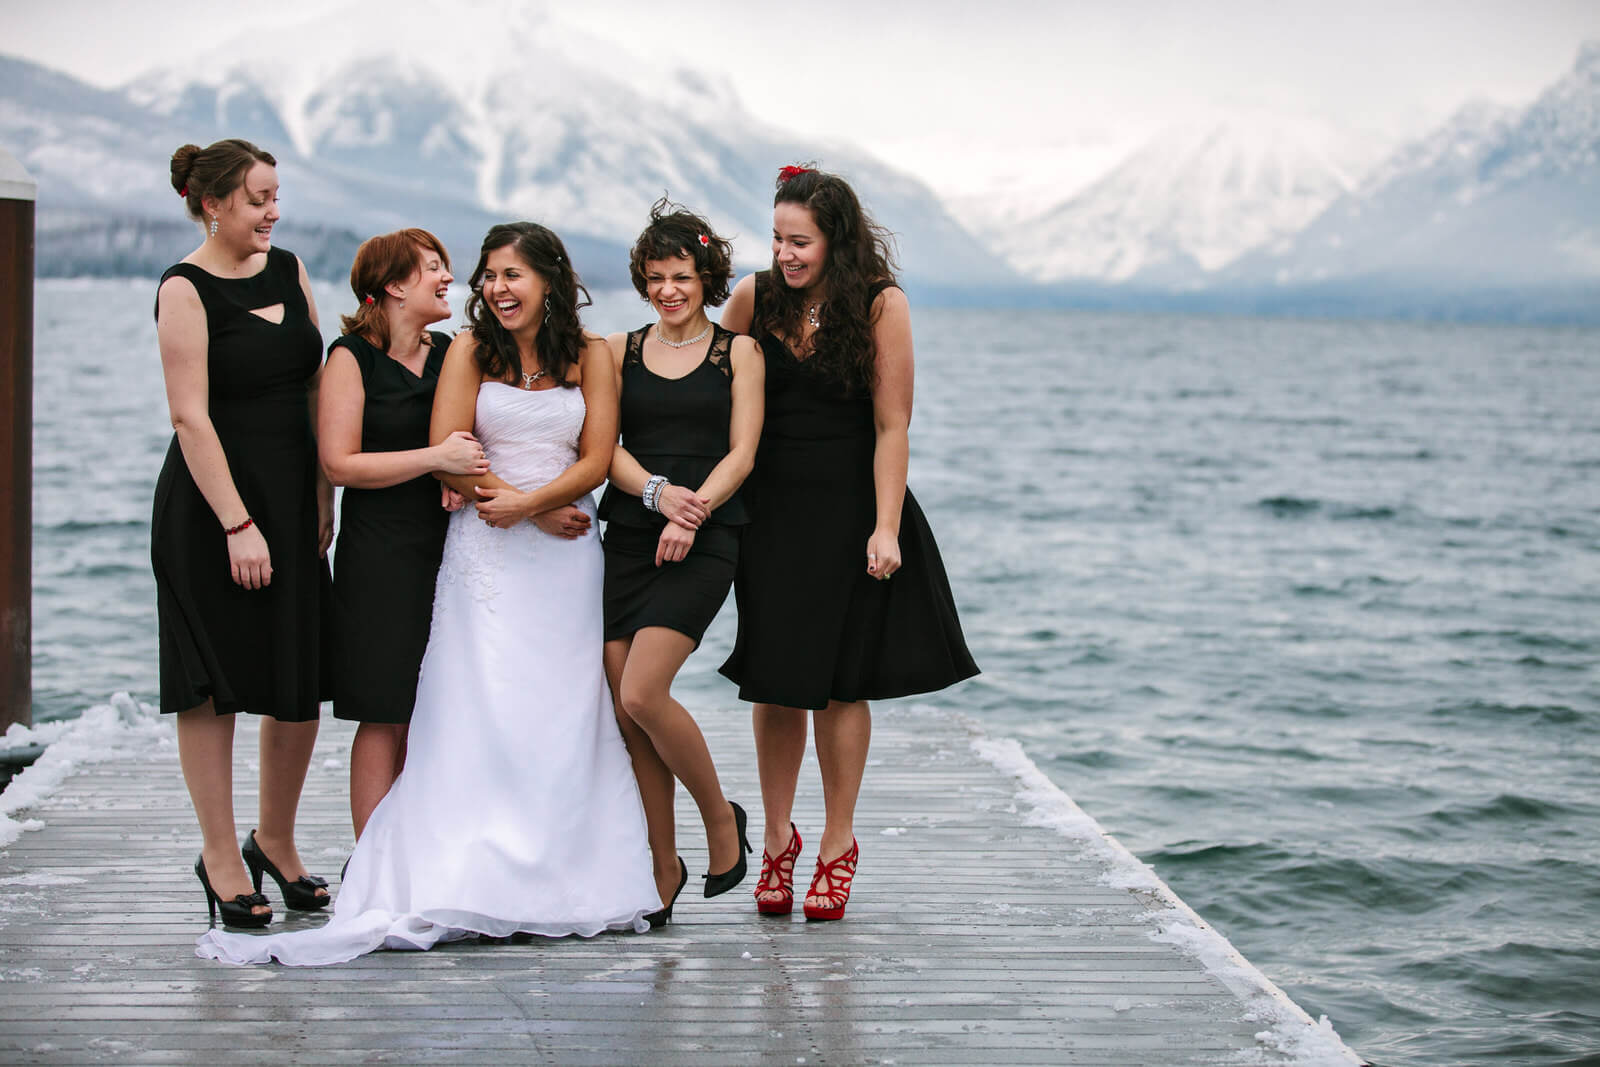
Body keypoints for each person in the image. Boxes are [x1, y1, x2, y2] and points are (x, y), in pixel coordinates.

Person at [196, 222, 658, 965]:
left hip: (540, 553)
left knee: (555, 710)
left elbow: (595, 455)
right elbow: (422, 451)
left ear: (550, 278)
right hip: (449, 547)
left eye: (509, 274)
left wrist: (529, 503)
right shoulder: (426, 353)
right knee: (441, 707)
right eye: (483, 274)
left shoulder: (553, 352)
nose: (488, 287)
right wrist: (518, 503)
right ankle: (401, 864)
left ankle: (559, 865)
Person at [719, 165, 979, 921]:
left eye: (799, 240)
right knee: (772, 680)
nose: (785, 253)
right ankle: (775, 838)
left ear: (836, 238)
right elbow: (711, 397)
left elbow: (894, 425)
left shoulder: (880, 304)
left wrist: (887, 525)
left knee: (839, 682)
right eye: (776, 238)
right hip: (768, 514)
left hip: (851, 515)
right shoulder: (751, 298)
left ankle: (836, 844)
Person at [154, 138, 333, 928]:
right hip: (211, 511)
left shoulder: (290, 268)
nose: (273, 211)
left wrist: (325, 493)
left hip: (294, 502)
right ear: (213, 203)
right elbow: (190, 416)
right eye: (259, 198)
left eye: (276, 195)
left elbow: (319, 380)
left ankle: (278, 840)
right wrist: (238, 523)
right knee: (214, 685)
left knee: (297, 683)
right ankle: (222, 856)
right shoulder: (183, 290)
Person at [598, 200, 763, 924]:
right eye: (657, 276)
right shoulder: (616, 351)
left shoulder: (740, 354)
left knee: (642, 692)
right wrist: (659, 497)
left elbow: (743, 452)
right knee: (629, 719)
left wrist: (690, 511)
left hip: (709, 536)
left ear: (708, 278)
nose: (669, 289)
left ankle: (720, 818)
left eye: (683, 276)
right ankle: (662, 868)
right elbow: (601, 448)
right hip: (632, 536)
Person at [317, 230, 489, 839]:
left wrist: (458, 469)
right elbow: (340, 464)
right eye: (433, 268)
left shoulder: (449, 353)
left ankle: (421, 853)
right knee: (385, 712)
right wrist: (433, 458)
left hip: (451, 548)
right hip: (380, 556)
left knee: (436, 708)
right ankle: (371, 864)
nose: (448, 278)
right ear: (392, 286)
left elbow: (474, 436)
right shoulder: (349, 358)